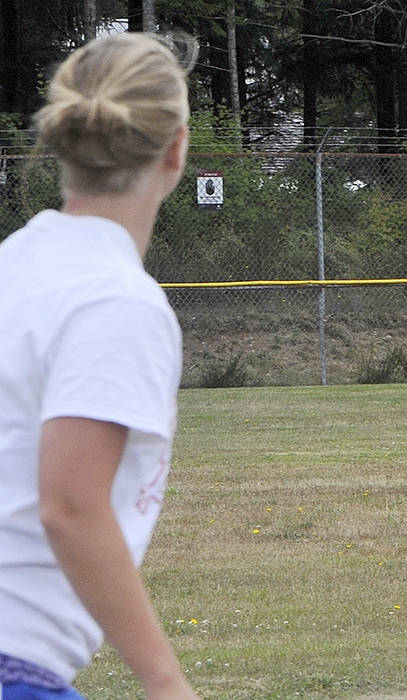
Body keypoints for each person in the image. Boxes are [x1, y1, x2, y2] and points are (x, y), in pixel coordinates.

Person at [0, 33, 200, 699]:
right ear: (175, 149)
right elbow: (71, 505)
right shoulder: (116, 301)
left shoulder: (15, 265)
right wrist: (167, 683)